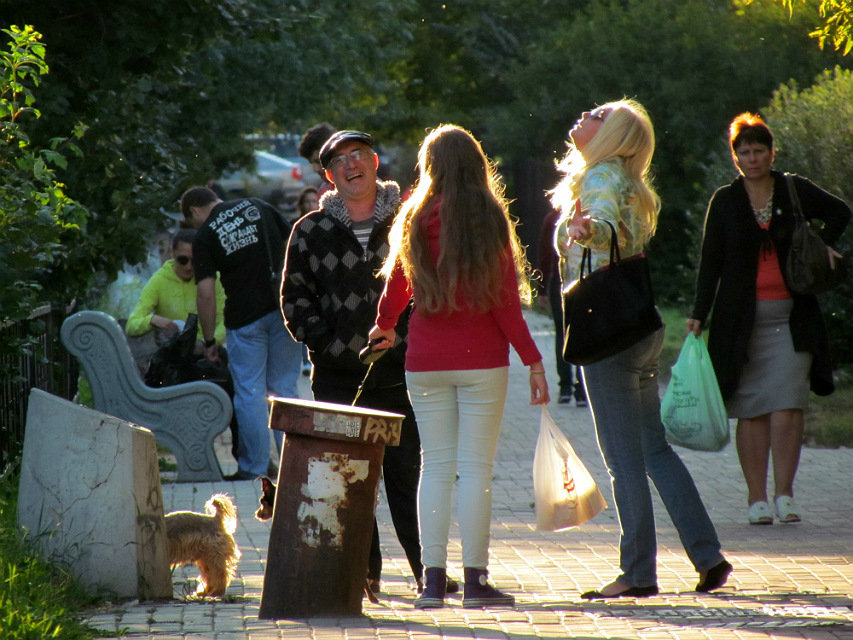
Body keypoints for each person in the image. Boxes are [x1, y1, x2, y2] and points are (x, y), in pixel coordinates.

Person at [551, 100, 731, 599]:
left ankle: (636, 574)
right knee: (653, 449)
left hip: (607, 333)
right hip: (639, 326)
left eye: (596, 114)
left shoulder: (602, 179)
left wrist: (590, 229)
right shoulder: (629, 180)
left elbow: (604, 223)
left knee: (623, 460)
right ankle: (708, 555)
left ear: (614, 136)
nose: (584, 114)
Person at [369, 125, 549, 610]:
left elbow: (397, 287)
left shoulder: (414, 214)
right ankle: (474, 581)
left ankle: (431, 582)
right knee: (474, 472)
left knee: (435, 466)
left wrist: (384, 326)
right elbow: (507, 304)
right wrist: (534, 361)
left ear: (430, 166)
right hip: (482, 361)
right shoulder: (488, 217)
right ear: (476, 165)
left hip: (424, 360)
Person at [282, 130, 431, 595]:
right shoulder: (309, 231)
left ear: (375, 161)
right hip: (338, 378)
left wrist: (406, 340)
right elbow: (294, 301)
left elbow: (432, 289)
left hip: (405, 374)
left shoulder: (411, 222)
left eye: (359, 155)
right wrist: (332, 347)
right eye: (340, 161)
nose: (351, 165)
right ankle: (362, 575)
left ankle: (428, 573)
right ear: (329, 176)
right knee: (348, 483)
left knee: (407, 480)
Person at [687, 112, 851, 525]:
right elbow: (711, 263)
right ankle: (756, 499)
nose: (753, 157)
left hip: (794, 319)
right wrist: (697, 315)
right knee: (752, 408)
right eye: (745, 151)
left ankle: (785, 495)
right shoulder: (725, 201)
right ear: (735, 157)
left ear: (772, 152)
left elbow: (841, 211)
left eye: (760, 150)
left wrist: (820, 245)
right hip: (740, 323)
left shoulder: (793, 189)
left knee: (789, 403)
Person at [181, 187, 303, 480]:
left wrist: (209, 339)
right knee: (285, 388)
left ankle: (254, 468)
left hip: (245, 320)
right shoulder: (258, 206)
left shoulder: (206, 234)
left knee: (250, 393)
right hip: (284, 308)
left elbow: (206, 293)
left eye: (190, 221)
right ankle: (294, 465)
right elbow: (295, 244)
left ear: (194, 210)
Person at [126, 228, 226, 347]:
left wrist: (209, 344)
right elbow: (131, 326)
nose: (188, 267)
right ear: (172, 252)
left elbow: (225, 320)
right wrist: (152, 320)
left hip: (208, 351)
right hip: (173, 353)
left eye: (195, 261)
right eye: (182, 260)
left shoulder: (212, 279)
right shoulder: (159, 280)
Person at [535, 208, 586, 406]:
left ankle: (565, 387)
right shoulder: (587, 215)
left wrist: (542, 290)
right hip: (583, 280)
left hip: (559, 281)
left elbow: (544, 254)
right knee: (582, 334)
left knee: (562, 333)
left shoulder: (552, 218)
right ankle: (582, 390)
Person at [298, 122, 336, 198]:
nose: (315, 169)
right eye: (312, 163)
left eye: (318, 162)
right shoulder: (325, 192)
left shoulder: (361, 185)